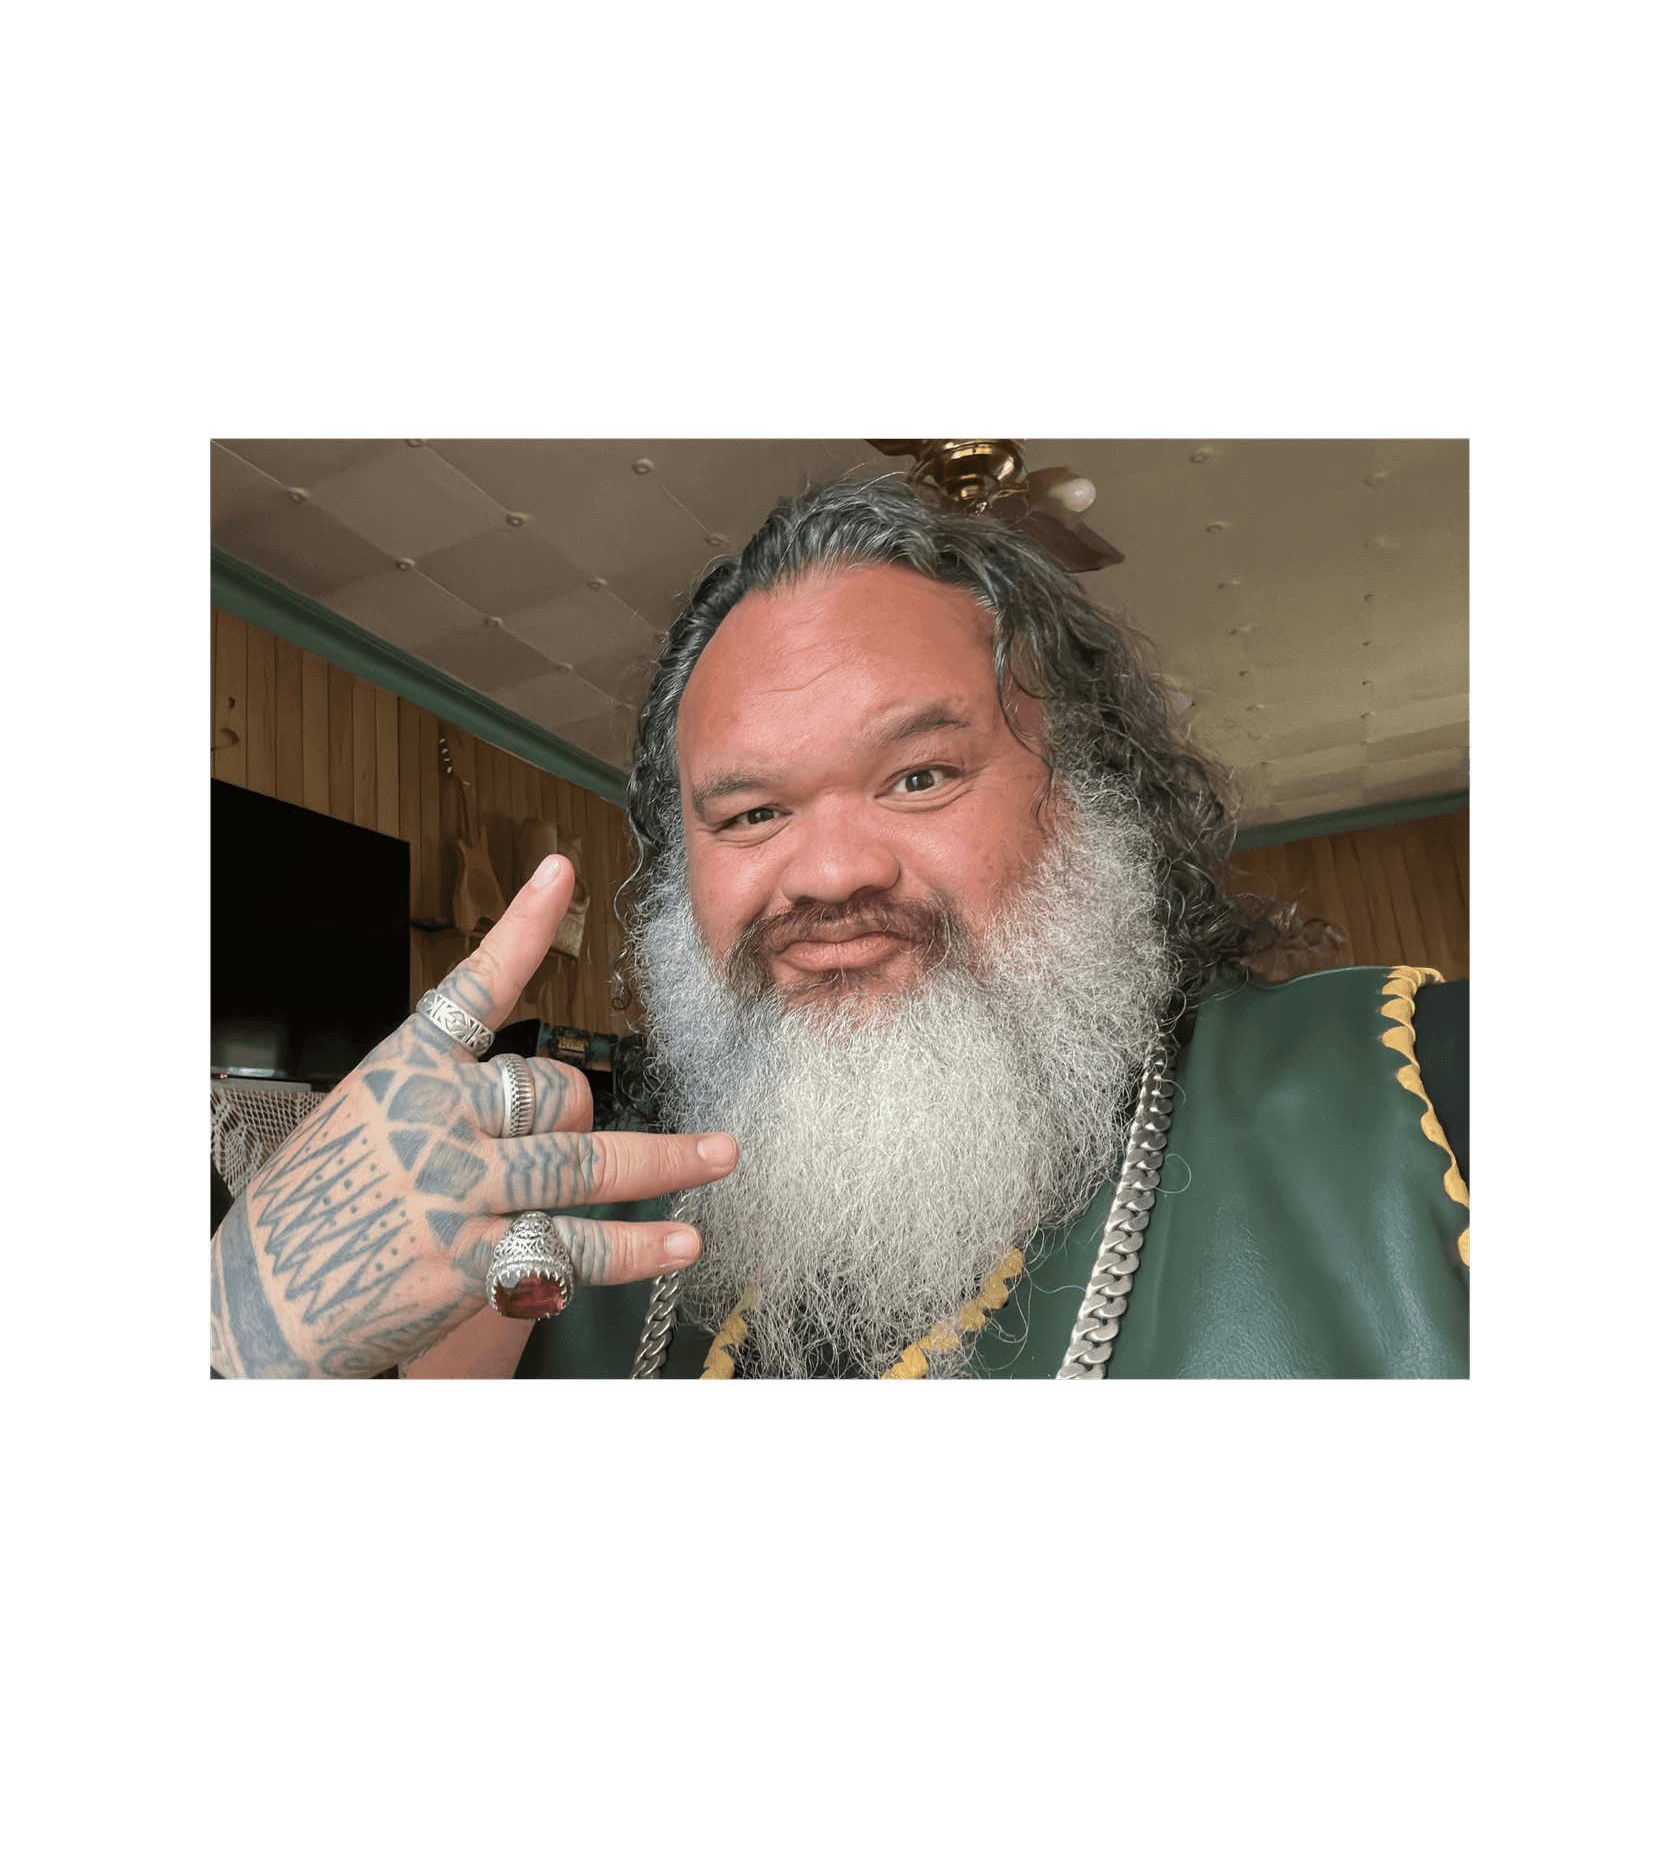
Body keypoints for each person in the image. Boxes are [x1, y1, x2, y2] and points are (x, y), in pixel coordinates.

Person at [210, 477, 1468, 1382]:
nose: (825, 872)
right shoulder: (554, 1255)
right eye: (751, 811)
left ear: (1088, 800)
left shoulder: (1427, 1089)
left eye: (920, 777)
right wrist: (233, 1337)